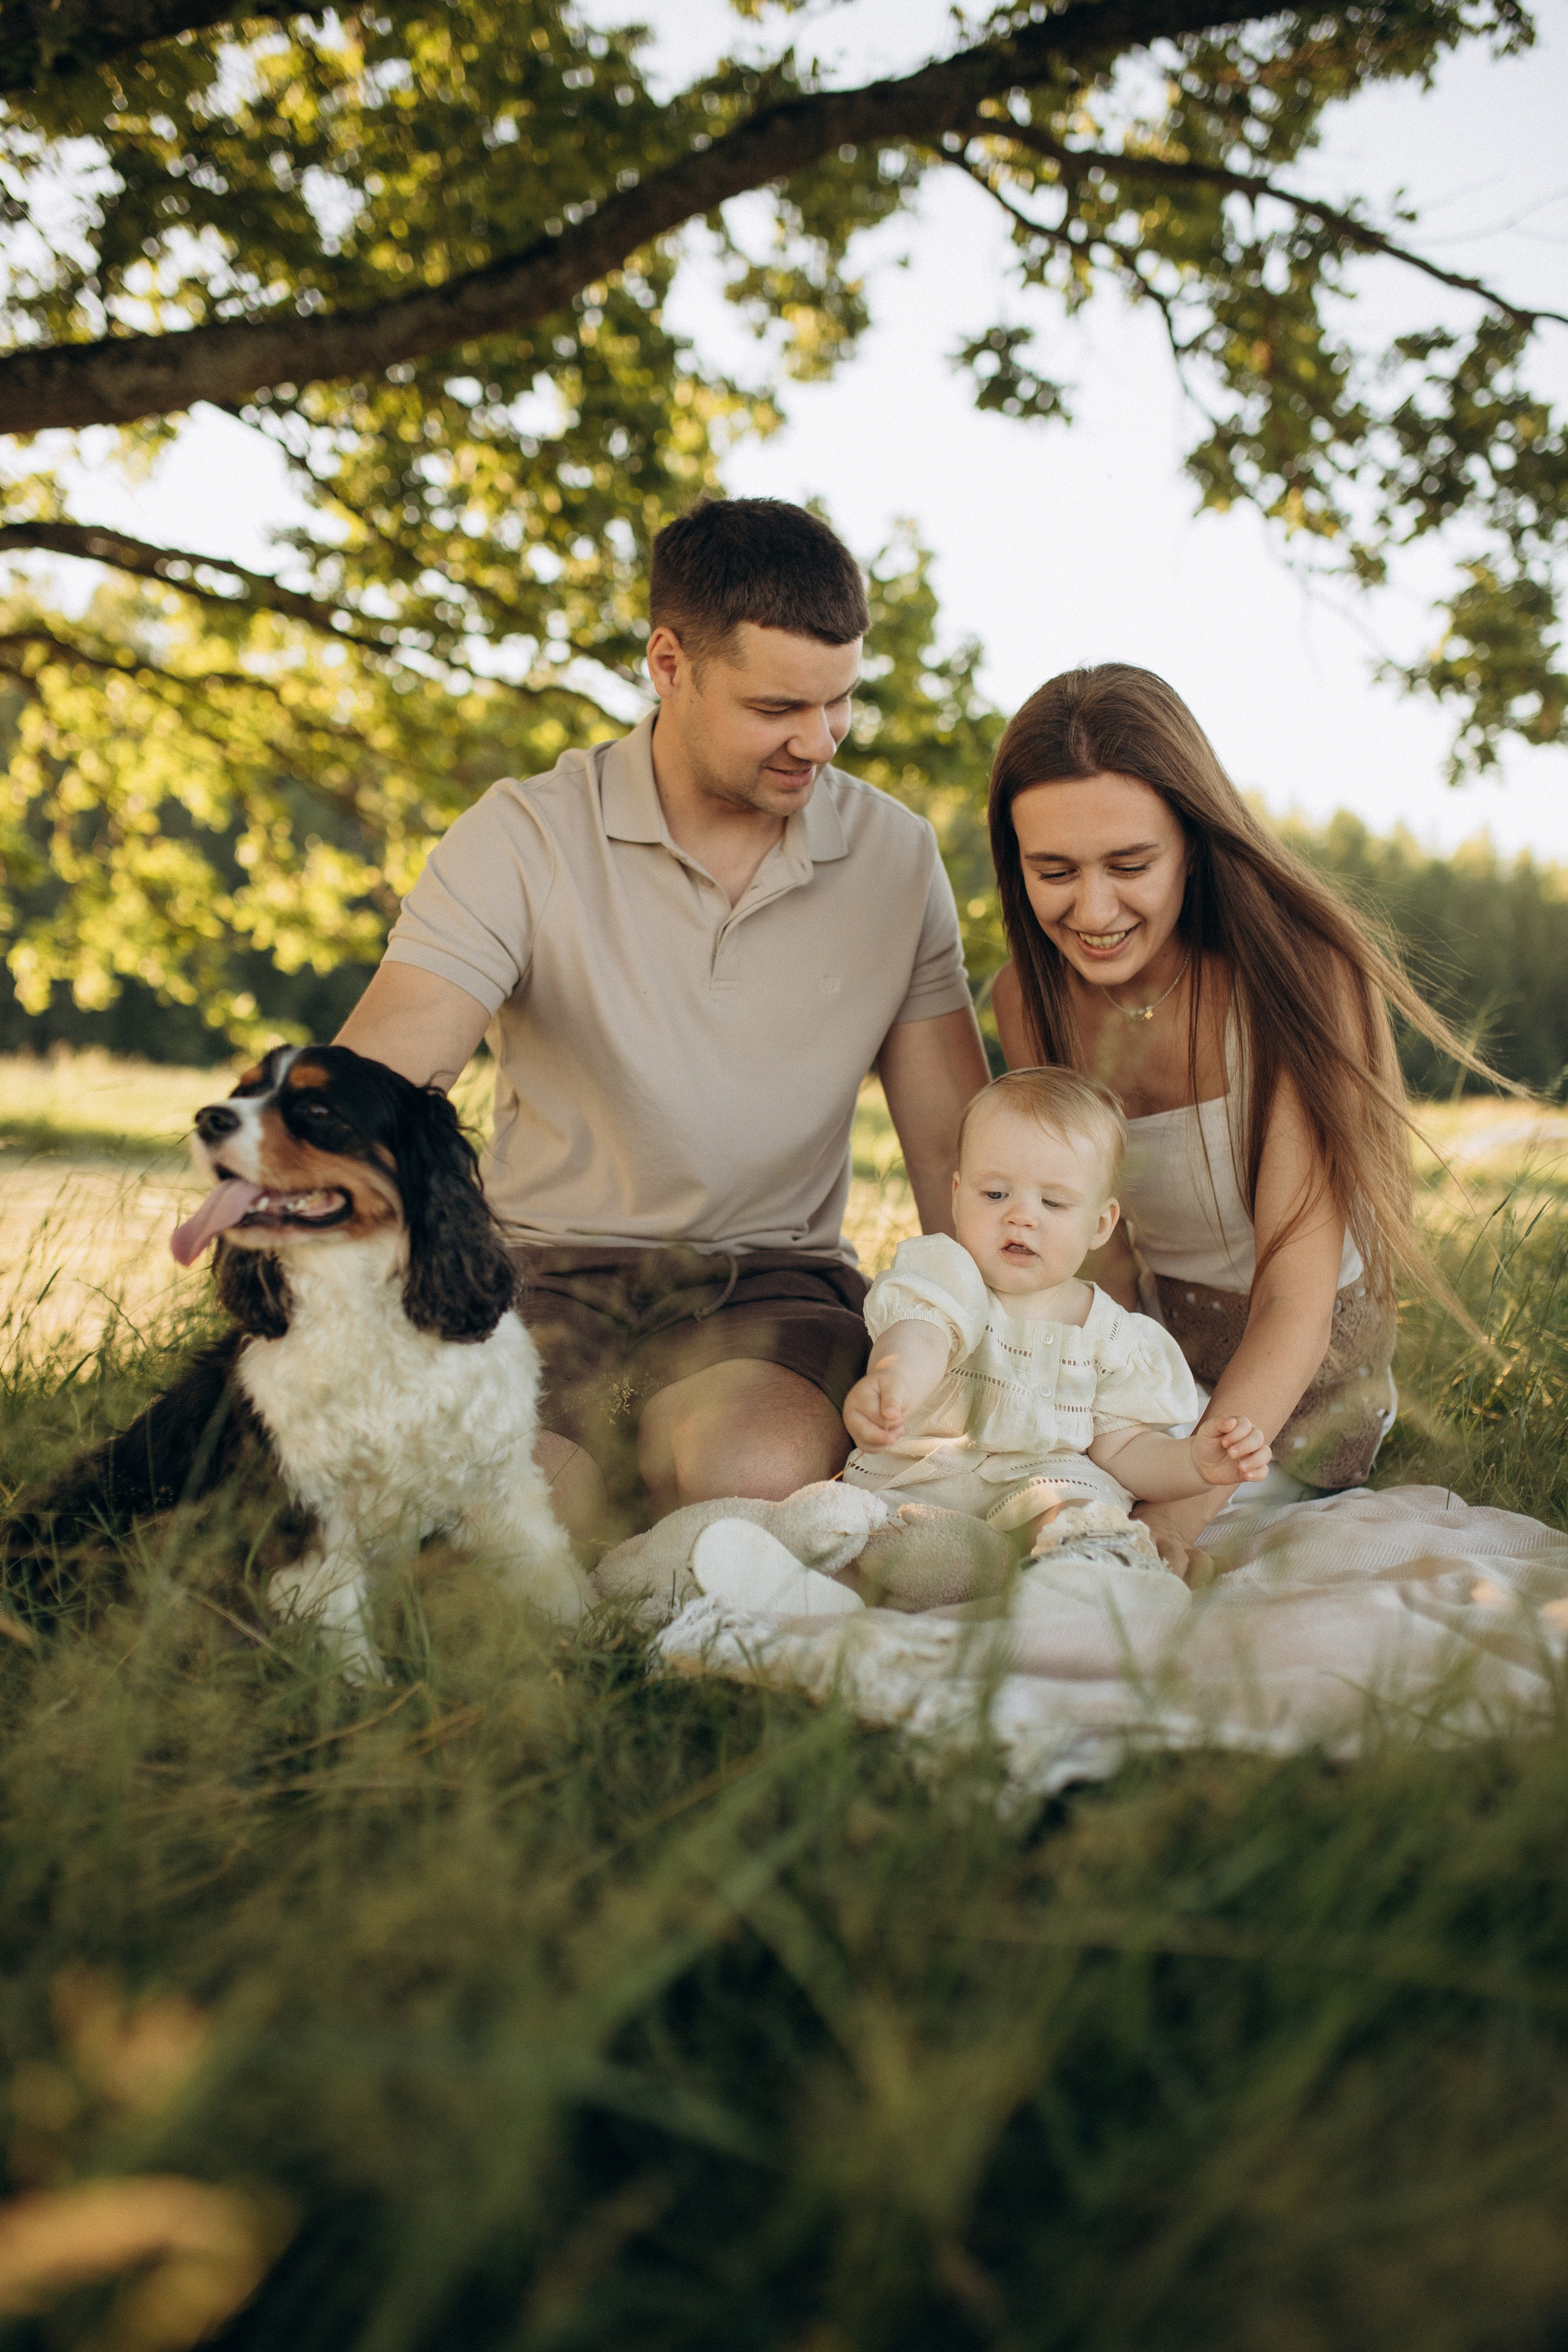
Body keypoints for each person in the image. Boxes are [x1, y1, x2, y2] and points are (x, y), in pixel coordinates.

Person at [336, 497, 989, 1539]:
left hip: (773, 1281)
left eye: (840, 702)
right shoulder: (523, 835)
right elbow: (383, 1081)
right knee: (518, 1522)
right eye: (778, 707)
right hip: (539, 1272)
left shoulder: (897, 858)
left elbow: (957, 1154)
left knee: (752, 1481)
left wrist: (1039, 1358)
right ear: (669, 664)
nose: (818, 742)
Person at [987, 662, 1485, 1570]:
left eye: (1130, 866)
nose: (1092, 910)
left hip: (1302, 1379)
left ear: (1194, 843)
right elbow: (1098, 1261)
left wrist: (1173, 1518)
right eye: (1053, 871)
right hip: (1151, 1354)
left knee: (1122, 1528)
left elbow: (1295, 1295)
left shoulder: (1297, 976)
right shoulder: (1029, 999)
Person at [840, 1068, 1272, 1557]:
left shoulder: (1108, 1334)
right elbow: (921, 1338)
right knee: (863, 1522)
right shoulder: (946, 1275)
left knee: (1076, 1518)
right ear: (957, 1196)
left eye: (1053, 1202)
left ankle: (1065, 1571)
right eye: (995, 1194)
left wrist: (1193, 1463)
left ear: (1100, 1224)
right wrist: (894, 1382)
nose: (1022, 1216)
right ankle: (921, 1557)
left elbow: (1125, 1450)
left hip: (1044, 1486)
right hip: (929, 1477)